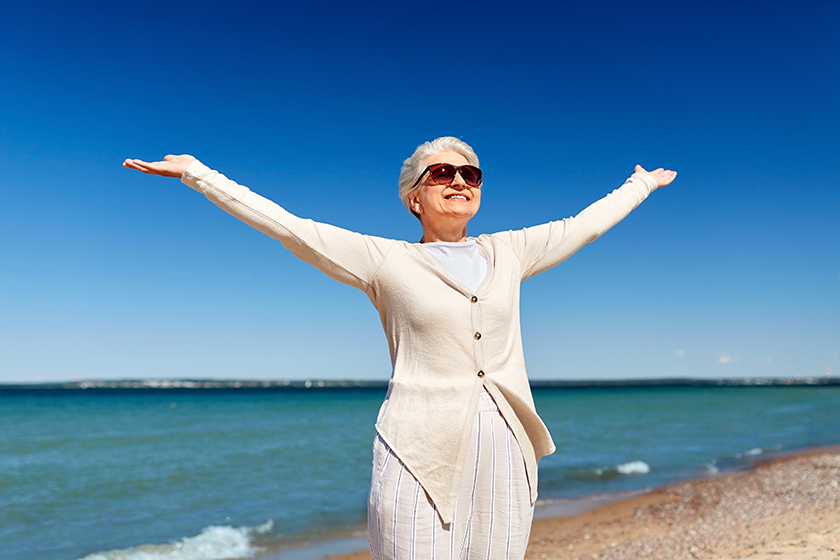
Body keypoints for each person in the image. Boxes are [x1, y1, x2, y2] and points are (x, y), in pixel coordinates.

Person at [123, 137, 676, 559]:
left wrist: (641, 185)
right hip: (417, 443)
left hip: (506, 441)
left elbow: (584, 226)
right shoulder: (385, 260)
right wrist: (198, 175)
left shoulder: (511, 251)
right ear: (415, 196)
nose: (459, 181)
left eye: (471, 173)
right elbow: (290, 228)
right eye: (442, 172)